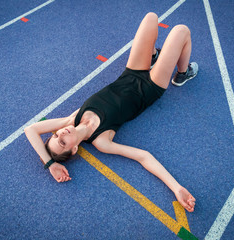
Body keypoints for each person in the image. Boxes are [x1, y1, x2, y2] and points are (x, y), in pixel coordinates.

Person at [24, 12, 198, 212]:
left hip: (132, 72)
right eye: (62, 142)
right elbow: (144, 157)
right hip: (150, 87)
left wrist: (49, 164)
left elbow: (30, 130)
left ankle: (153, 57)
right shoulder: (102, 142)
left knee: (150, 18)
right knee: (181, 31)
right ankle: (183, 74)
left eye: (56, 134)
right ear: (74, 150)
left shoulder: (72, 119)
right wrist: (176, 188)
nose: (61, 133)